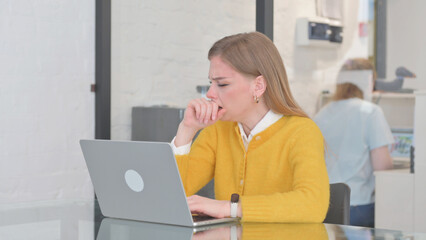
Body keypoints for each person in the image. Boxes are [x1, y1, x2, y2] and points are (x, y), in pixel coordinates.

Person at [171, 32, 329, 223]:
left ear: (258, 86)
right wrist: (186, 131)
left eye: (222, 84)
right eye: (210, 83)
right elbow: (172, 195)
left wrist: (228, 208)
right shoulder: (218, 130)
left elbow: (312, 205)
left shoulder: (302, 131)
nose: (210, 94)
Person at [314, 58, 394, 227]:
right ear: (369, 82)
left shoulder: (322, 113)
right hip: (358, 206)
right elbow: (383, 167)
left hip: (323, 206)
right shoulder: (370, 112)